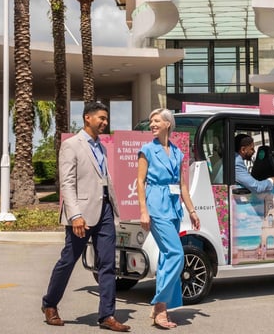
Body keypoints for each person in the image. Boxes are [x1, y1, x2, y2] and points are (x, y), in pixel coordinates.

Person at [42, 102, 130, 332]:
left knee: (108, 263)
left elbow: (103, 180)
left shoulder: (101, 146)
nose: (105, 122)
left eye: (106, 119)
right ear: (87, 118)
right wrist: (76, 215)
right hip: (81, 214)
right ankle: (49, 304)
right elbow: (67, 183)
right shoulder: (72, 145)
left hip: (105, 211)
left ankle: (107, 316)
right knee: (68, 260)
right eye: (101, 118)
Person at [137, 108, 200, 329]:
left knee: (166, 257)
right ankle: (159, 305)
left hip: (174, 208)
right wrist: (143, 211)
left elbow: (183, 185)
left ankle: (161, 310)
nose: (152, 124)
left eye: (156, 121)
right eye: (151, 121)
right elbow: (140, 182)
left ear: (168, 124)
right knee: (176, 253)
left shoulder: (177, 153)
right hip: (156, 206)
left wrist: (192, 211)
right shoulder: (146, 150)